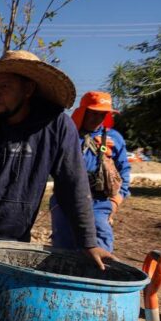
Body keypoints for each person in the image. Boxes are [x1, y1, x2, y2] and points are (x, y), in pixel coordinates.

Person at [0, 50, 112, 321]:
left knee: (6, 301)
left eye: (4, 87)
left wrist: (90, 242)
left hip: (16, 232)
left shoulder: (57, 126)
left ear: (28, 89)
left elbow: (73, 185)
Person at [51, 91, 131, 252]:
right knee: (63, 250)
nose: (97, 118)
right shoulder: (66, 135)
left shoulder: (114, 138)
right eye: (93, 113)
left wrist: (115, 202)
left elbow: (124, 171)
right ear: (83, 112)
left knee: (100, 247)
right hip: (65, 200)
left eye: (103, 114)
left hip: (99, 203)